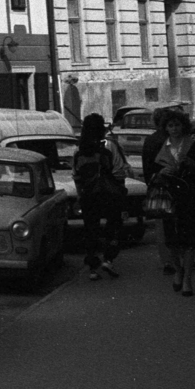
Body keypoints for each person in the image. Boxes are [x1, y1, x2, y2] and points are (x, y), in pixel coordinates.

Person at [154, 109, 195, 296]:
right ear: (165, 128)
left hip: (188, 195)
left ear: (183, 126)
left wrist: (192, 165)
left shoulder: (192, 146)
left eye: (177, 125)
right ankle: (178, 271)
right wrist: (160, 173)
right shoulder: (161, 147)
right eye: (170, 125)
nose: (174, 129)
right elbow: (150, 173)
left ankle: (187, 279)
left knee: (189, 239)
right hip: (168, 197)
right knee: (171, 240)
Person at [73, 113, 129, 280]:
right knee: (114, 227)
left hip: (88, 195)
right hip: (110, 193)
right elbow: (119, 170)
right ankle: (108, 259)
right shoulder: (110, 145)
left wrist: (80, 195)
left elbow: (76, 175)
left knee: (91, 230)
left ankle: (92, 269)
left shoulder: (79, 149)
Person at [140, 107, 179, 275]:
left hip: (158, 186)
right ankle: (180, 257)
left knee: (162, 226)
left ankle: (167, 261)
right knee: (178, 223)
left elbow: (146, 167)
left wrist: (151, 181)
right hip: (176, 185)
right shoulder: (173, 139)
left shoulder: (150, 140)